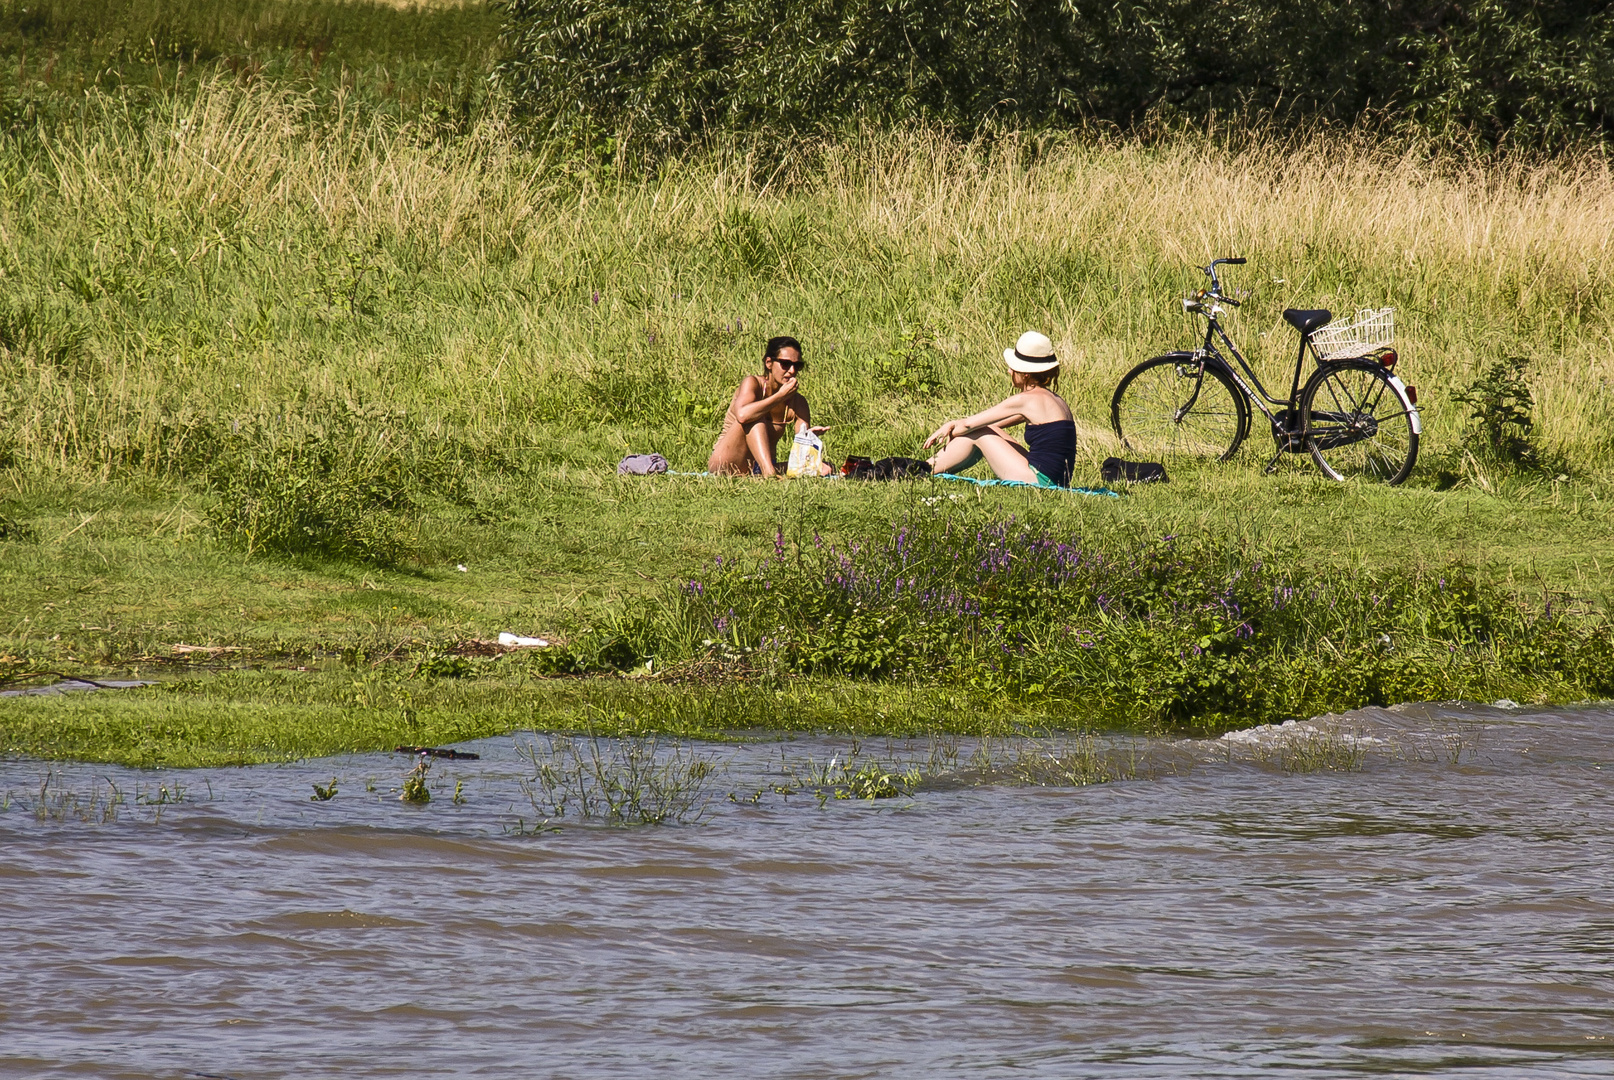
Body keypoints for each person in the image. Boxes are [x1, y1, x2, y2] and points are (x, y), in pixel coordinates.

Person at [923, 331, 1077, 487]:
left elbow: (969, 425)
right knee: (983, 429)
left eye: (1013, 368)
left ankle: (920, 469)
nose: (1009, 371)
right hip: (1058, 479)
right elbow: (988, 424)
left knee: (981, 432)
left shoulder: (1026, 400)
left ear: (1025, 375)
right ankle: (924, 469)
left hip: (1040, 479)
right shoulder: (1056, 400)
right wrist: (959, 427)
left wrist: (950, 427)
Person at [708, 336, 829, 476]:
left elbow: (800, 455)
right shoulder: (753, 383)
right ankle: (769, 474)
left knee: (824, 467)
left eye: (797, 366)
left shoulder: (798, 402)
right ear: (769, 363)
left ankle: (766, 470)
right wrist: (780, 397)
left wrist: (808, 438)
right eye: (785, 364)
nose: (792, 371)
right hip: (727, 463)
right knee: (755, 417)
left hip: (759, 467)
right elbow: (742, 415)